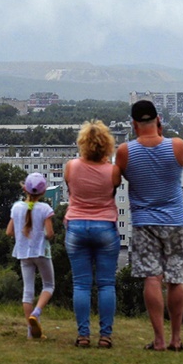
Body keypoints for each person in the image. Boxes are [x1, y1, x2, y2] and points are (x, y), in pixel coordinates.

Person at [114, 99, 183, 352]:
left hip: (144, 222)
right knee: (175, 279)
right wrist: (162, 135)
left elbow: (119, 176)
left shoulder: (125, 151)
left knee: (152, 278)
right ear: (158, 119)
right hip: (175, 221)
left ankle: (158, 340)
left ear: (134, 124)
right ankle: (176, 339)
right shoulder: (177, 146)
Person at [63, 119, 121, 349]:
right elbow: (112, 191)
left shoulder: (71, 167)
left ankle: (83, 335)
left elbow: (71, 187)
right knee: (106, 285)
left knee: (81, 285)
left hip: (76, 227)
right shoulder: (113, 171)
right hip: (105, 227)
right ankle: (105, 336)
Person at [6, 172, 55, 340]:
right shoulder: (45, 209)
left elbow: (9, 232)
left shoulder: (16, 207)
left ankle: (30, 331)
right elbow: (49, 233)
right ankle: (37, 312)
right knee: (48, 285)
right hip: (41, 252)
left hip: (23, 254)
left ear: (25, 189)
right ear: (43, 192)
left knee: (28, 292)